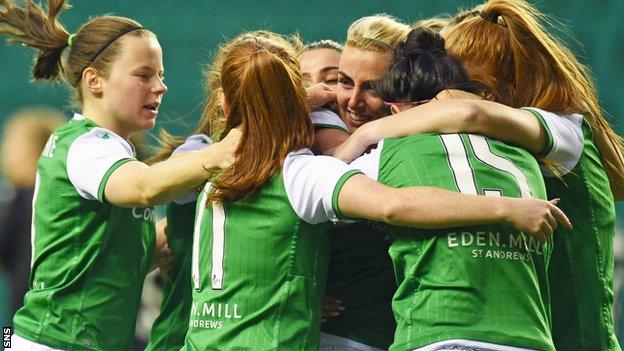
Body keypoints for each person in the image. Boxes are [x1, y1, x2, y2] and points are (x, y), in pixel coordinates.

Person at [181, 30, 569, 350]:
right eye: (339, 83)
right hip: (494, 332)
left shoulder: (205, 164)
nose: (348, 100)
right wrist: (507, 209)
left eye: (368, 86)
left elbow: (146, 187)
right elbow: (395, 205)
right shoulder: (312, 172)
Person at [336, 1, 623, 350]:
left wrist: (367, 134)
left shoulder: (563, 129)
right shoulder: (516, 140)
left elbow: (469, 112)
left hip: (577, 337)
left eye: (448, 83)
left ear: (488, 91)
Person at [0, 1, 237, 350]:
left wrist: (162, 241)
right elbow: (144, 188)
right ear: (94, 80)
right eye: (144, 75)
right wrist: (219, 152)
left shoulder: (111, 150)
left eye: (161, 75)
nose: (160, 87)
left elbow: (96, 255)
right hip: (55, 341)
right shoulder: (85, 145)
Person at [352, 26, 556, 351]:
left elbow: (316, 203)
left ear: (397, 109)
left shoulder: (387, 156)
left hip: (441, 330)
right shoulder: (530, 156)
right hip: (530, 335)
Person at [0, 107, 64, 321]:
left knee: (7, 339)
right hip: (54, 324)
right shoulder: (61, 196)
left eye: (10, 144)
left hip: (29, 325)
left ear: (32, 149)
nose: (4, 152)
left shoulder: (22, 198)